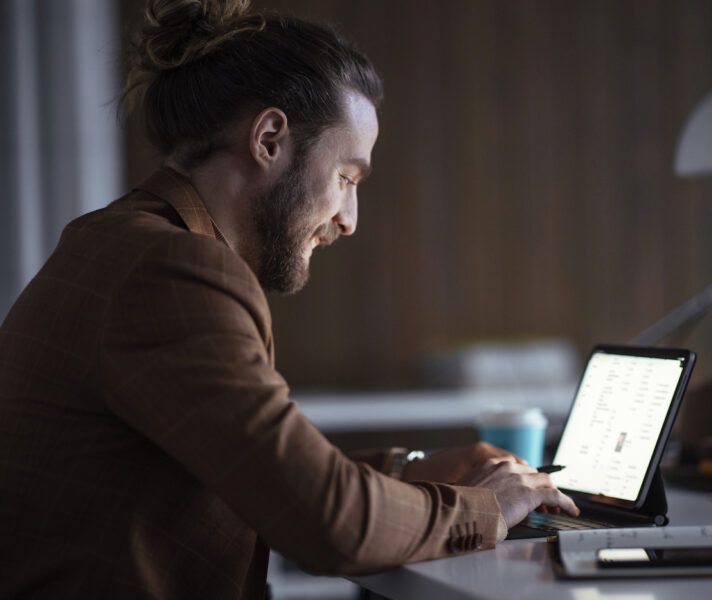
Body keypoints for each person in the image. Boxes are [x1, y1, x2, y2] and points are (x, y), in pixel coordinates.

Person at [0, 0, 578, 598]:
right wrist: (485, 507)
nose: (349, 220)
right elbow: (328, 523)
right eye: (346, 178)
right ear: (270, 139)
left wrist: (412, 470)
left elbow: (265, 470)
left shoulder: (117, 239)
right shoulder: (172, 270)